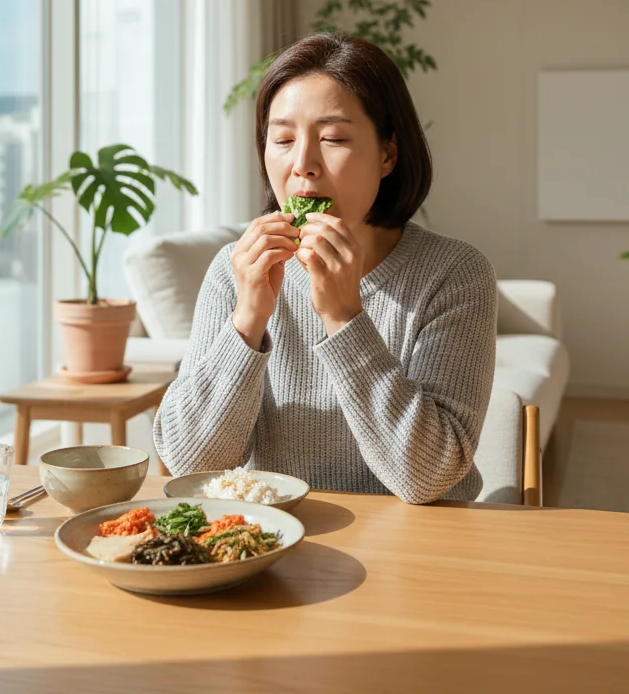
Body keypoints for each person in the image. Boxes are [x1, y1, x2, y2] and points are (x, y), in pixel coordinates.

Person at [153, 33, 497, 503]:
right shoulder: (232, 271)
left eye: (333, 138)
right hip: (272, 543)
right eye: (283, 140)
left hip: (421, 551)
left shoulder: (456, 274)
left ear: (387, 155)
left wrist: (344, 317)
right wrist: (249, 318)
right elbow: (190, 464)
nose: (303, 165)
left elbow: (430, 478)